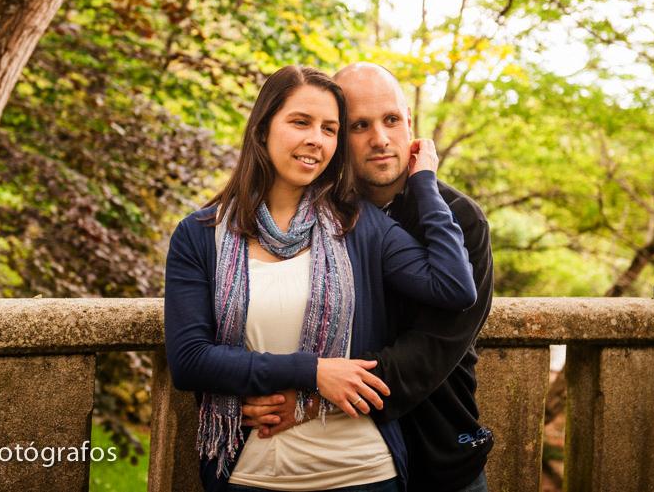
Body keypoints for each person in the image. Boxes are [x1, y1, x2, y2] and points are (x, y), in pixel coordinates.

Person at [164, 65, 476, 492]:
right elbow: (190, 361)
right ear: (262, 129)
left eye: (329, 129)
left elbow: (454, 287)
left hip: (365, 472)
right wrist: (314, 372)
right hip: (253, 473)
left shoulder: (360, 225)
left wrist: (424, 181)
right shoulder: (200, 235)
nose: (317, 138)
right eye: (300, 122)